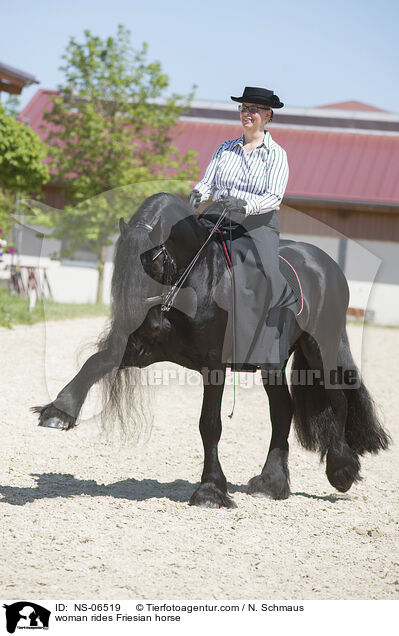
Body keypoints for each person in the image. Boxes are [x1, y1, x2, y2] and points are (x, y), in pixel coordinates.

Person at [189, 86, 296, 370]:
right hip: (219, 216)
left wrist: (245, 206)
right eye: (244, 108)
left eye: (253, 109)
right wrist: (199, 192)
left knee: (266, 275)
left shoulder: (276, 155)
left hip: (256, 223)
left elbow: (274, 197)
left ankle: (265, 344)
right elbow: (208, 182)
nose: (247, 114)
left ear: (268, 115)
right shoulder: (225, 148)